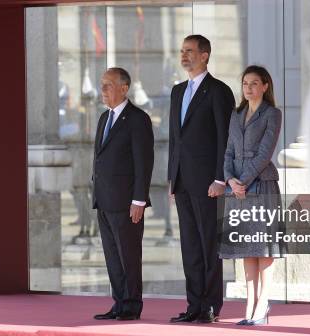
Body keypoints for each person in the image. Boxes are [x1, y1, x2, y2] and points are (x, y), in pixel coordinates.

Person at [167, 35, 235, 323]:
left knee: (209, 245)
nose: (184, 56)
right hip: (183, 181)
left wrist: (220, 178)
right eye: (182, 51)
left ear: (205, 55)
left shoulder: (219, 91)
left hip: (209, 183)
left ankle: (210, 306)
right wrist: (172, 177)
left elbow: (226, 138)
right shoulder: (177, 91)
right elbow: (174, 139)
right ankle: (194, 304)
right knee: (190, 247)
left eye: (190, 52)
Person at [220, 65, 285, 325]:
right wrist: (229, 180)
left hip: (262, 184)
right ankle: (250, 303)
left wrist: (242, 181)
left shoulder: (273, 114)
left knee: (263, 246)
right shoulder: (235, 114)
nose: (248, 88)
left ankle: (264, 301)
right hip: (238, 187)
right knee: (246, 247)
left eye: (254, 83)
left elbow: (265, 154)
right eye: (245, 83)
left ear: (265, 86)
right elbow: (227, 152)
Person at [91, 67, 154, 321]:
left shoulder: (137, 119)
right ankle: (119, 302)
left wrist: (139, 199)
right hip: (104, 200)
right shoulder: (104, 118)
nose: (103, 89)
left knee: (129, 255)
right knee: (113, 257)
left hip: (127, 202)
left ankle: (131, 305)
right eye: (102, 84)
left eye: (108, 84)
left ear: (124, 88)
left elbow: (144, 163)